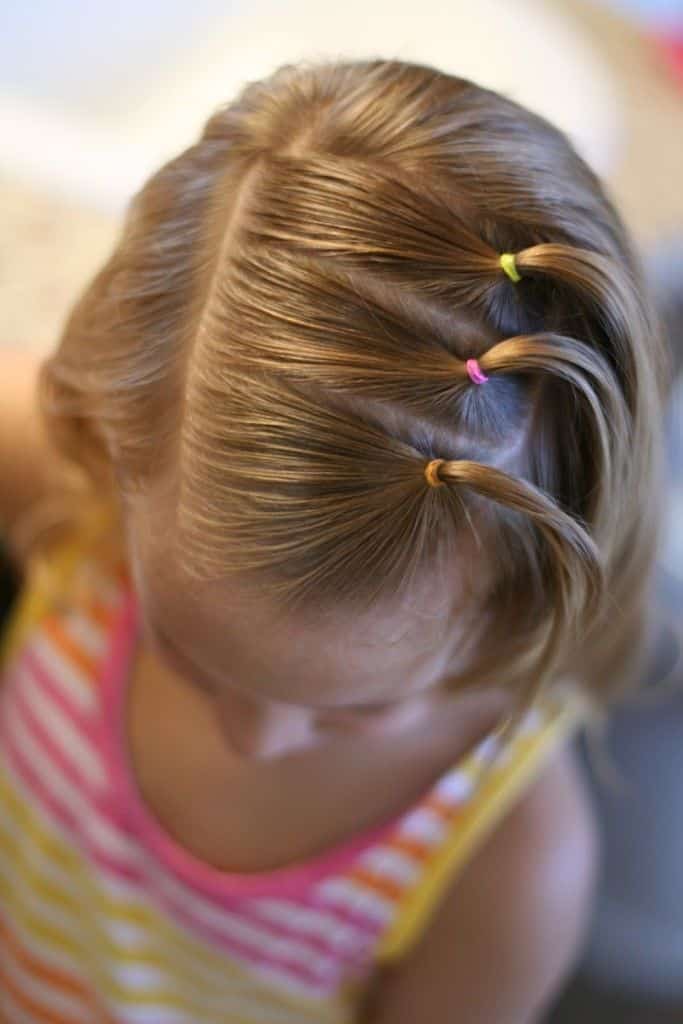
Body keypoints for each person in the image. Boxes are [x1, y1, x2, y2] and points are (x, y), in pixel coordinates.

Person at [0, 57, 673, 1024]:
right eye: (186, 656)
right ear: (109, 442)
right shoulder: (85, 489)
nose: (254, 738)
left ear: (518, 603)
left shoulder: (506, 865)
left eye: (357, 711)